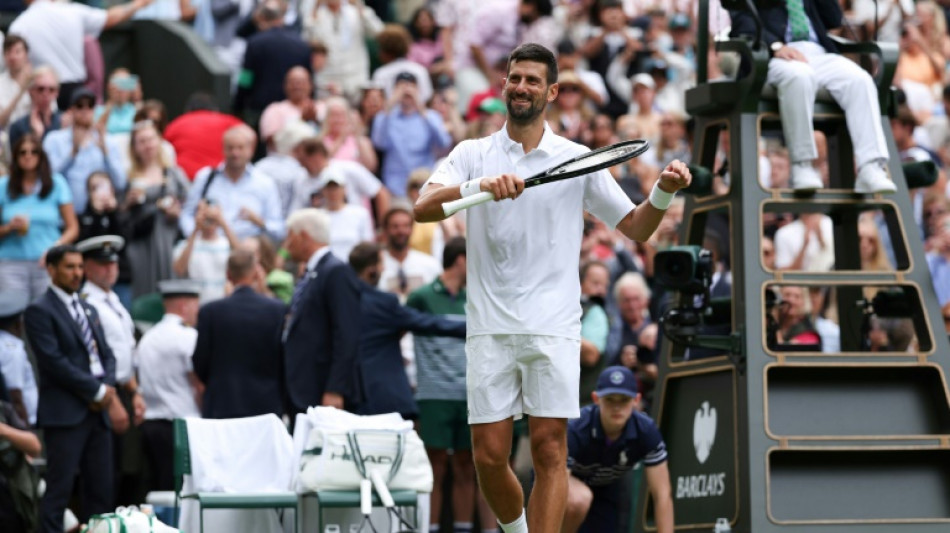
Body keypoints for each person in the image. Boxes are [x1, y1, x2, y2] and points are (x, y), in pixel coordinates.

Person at [412, 43, 690, 533]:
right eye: (515, 78)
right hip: (490, 326)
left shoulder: (575, 158)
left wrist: (663, 189)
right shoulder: (472, 154)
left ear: (552, 92)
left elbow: (637, 227)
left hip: (554, 325)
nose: (522, 87)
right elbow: (424, 207)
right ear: (504, 86)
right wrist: (480, 187)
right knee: (490, 459)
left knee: (549, 451)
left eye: (533, 80)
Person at [730, 0, 896, 194]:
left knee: (860, 80)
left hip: (817, 53)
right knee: (799, 76)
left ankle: (870, 166)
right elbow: (742, 24)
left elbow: (833, 20)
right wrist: (775, 46)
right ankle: (802, 165)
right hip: (772, 55)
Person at [25, 244, 123, 533]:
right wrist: (96, 391)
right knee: (59, 490)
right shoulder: (39, 310)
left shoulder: (88, 307)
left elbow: (108, 355)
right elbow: (54, 362)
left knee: (102, 490)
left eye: (80, 267)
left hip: (98, 413)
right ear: (52, 269)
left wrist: (107, 388)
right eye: (70, 267)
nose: (77, 273)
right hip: (66, 412)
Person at [405, 236, 495, 533]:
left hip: (471, 395)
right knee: (435, 467)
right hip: (434, 395)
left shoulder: (479, 297)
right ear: (461, 260)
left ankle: (463, 528)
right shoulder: (421, 297)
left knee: (468, 467)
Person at [349, 241, 466, 419]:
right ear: (371, 269)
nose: (383, 269)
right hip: (384, 395)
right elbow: (429, 323)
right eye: (381, 264)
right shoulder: (383, 303)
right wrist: (472, 327)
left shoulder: (339, 301)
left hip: (348, 393)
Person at [77, 234, 148, 505]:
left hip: (124, 388)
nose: (110, 269)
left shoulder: (114, 301)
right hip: (104, 395)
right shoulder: (87, 302)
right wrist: (113, 401)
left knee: (129, 468)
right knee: (105, 475)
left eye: (113, 263)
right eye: (101, 264)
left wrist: (136, 392)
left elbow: (124, 353)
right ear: (87, 267)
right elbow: (93, 357)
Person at [563, 366, 673, 533]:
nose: (617, 407)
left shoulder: (646, 431)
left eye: (624, 400)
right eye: (609, 399)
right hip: (560, 480)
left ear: (636, 400)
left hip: (604, 488)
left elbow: (662, 495)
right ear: (596, 399)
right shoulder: (576, 428)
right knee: (579, 499)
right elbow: (554, 482)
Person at [282, 208, 362, 414]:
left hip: (323, 389)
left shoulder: (336, 271)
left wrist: (335, 388)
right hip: (306, 387)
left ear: (304, 237)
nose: (286, 245)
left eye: (290, 236)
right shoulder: (313, 273)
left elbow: (346, 333)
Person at [192, 248, 286, 419]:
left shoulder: (210, 311)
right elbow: (283, 357)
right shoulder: (276, 309)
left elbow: (200, 361)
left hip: (222, 402)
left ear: (228, 275)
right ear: (256, 273)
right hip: (266, 404)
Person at [9, 0, 154, 109]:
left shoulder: (20, 24)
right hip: (67, 91)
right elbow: (111, 17)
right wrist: (139, 4)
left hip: (49, 93)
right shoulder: (72, 11)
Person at [136, 279, 202, 492]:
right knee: (182, 491)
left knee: (158, 489)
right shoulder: (188, 336)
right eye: (196, 306)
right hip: (181, 426)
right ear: (185, 306)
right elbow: (198, 384)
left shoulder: (148, 337)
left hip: (151, 424)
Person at [0, 133, 79, 300]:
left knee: (43, 314)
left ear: (41, 155)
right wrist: (8, 228)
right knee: (13, 316)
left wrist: (54, 248)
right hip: (11, 263)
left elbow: (73, 228)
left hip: (46, 264)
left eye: (34, 151)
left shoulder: (56, 183)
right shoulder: (3, 185)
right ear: (16, 157)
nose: (28, 156)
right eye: (23, 152)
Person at [179, 124, 284, 242]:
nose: (235, 153)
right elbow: (187, 214)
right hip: (210, 246)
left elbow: (279, 229)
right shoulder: (206, 177)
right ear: (223, 149)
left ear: (250, 150)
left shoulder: (265, 183)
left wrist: (258, 221)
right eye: (230, 148)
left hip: (248, 250)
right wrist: (196, 237)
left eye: (240, 148)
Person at [124, 119, 190, 299]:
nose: (147, 145)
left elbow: (190, 204)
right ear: (134, 147)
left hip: (168, 238)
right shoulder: (128, 176)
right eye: (142, 141)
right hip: (142, 241)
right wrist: (128, 203)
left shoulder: (174, 173)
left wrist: (178, 212)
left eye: (151, 139)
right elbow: (121, 214)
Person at [43, 87, 128, 214]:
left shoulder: (109, 141)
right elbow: (46, 180)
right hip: (67, 217)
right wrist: (72, 153)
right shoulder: (54, 139)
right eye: (79, 106)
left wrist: (105, 152)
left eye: (90, 106)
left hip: (101, 215)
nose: (85, 110)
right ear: (71, 110)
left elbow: (120, 183)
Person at [371, 72, 453, 197]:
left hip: (424, 183)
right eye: (401, 87)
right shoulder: (385, 116)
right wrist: (391, 103)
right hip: (395, 186)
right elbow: (379, 143)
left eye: (411, 86)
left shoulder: (430, 116)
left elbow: (443, 142)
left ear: (418, 89)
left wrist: (421, 108)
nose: (406, 91)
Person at [163, 93, 244, 180]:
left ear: (188, 110)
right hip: (219, 179)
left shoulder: (176, 124)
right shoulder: (229, 122)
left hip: (186, 178)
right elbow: (249, 136)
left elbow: (162, 149)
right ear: (215, 109)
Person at [0, 290, 37, 426]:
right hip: (19, 420)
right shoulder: (12, 349)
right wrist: (24, 430)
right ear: (18, 324)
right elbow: (15, 394)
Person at [319, 169, 374, 260]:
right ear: (322, 190)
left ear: (344, 189)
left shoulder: (360, 213)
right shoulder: (317, 216)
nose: (333, 192)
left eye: (336, 187)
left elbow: (367, 244)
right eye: (329, 188)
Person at [7, 66, 62, 149]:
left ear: (57, 93)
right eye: (41, 89)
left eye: (51, 89)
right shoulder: (18, 127)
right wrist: (36, 136)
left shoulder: (64, 122)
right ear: (31, 90)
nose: (46, 94)